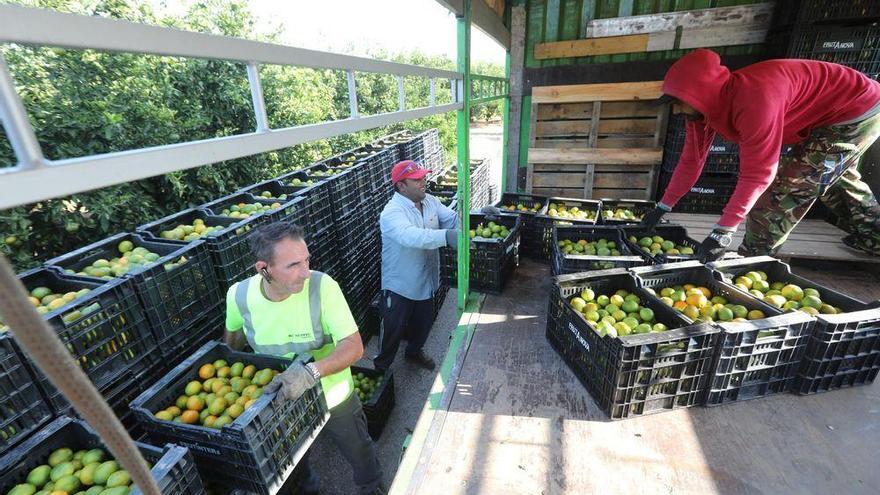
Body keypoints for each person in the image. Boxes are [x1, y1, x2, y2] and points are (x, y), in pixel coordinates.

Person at [640, 48, 880, 261]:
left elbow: (758, 174)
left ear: (699, 94)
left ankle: (753, 260)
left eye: (677, 102)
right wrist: (663, 207)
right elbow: (691, 161)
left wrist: (722, 233)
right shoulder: (699, 112)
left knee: (785, 191)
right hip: (825, 115)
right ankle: (875, 238)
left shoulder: (755, 98)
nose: (675, 109)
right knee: (831, 181)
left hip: (854, 111)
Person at [224, 221, 384, 495]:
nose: (306, 273)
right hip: (283, 400)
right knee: (293, 460)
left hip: (332, 393)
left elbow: (354, 346)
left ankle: (372, 487)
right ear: (264, 269)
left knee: (359, 449)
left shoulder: (322, 287)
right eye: (293, 265)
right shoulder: (239, 296)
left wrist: (312, 372)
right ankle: (309, 487)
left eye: (306, 260)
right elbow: (231, 345)